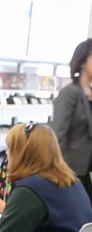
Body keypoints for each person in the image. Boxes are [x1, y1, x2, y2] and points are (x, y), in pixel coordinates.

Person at [52, 38, 92, 200]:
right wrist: (63, 172)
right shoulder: (69, 93)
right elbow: (58, 136)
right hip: (72, 175)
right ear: (83, 61)